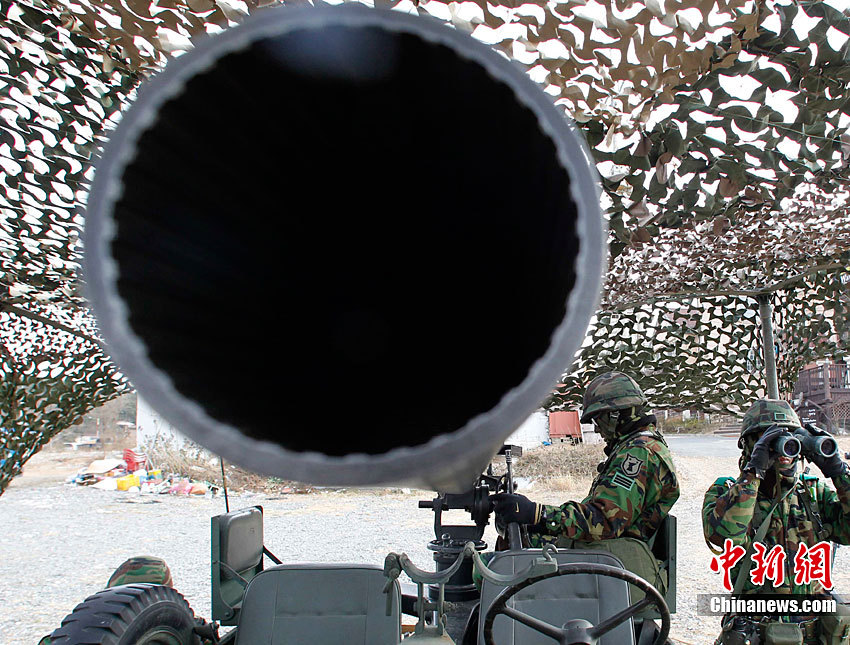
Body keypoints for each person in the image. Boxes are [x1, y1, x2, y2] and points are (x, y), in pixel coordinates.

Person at [702, 399, 850, 645]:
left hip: (813, 634)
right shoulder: (726, 490)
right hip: (756, 634)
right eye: (771, 441)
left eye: (791, 440)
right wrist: (753, 473)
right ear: (750, 445)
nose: (783, 451)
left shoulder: (813, 493)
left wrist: (838, 471)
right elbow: (725, 539)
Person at [492, 371, 679, 548]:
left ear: (614, 415)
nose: (597, 429)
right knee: (520, 535)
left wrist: (537, 514)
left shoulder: (639, 453)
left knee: (504, 553)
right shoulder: (640, 446)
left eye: (598, 420)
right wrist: (537, 518)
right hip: (609, 548)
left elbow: (604, 522)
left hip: (611, 555)